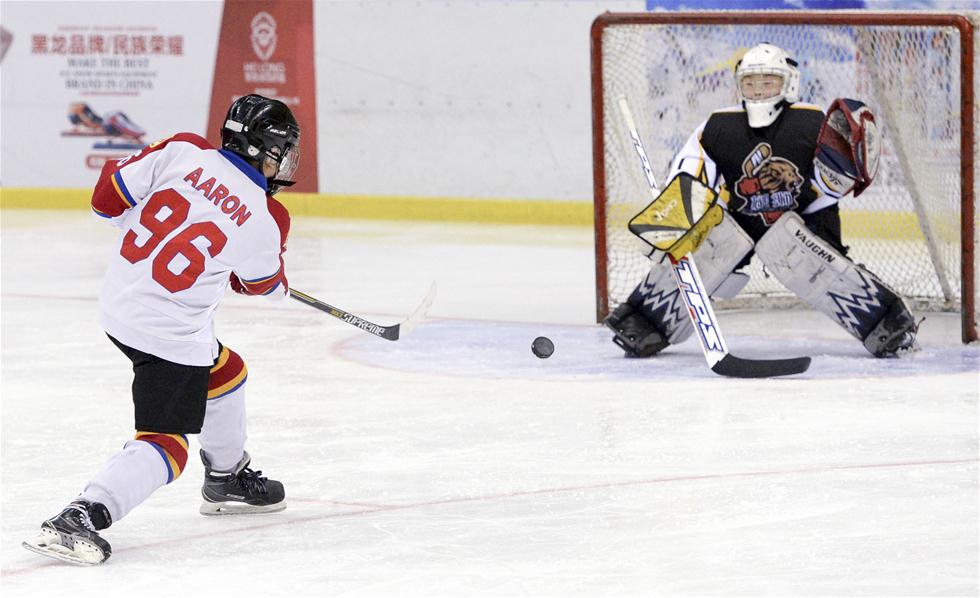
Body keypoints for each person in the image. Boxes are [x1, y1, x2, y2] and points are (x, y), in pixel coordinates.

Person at [23, 94, 301, 566]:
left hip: (119, 304)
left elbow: (104, 203)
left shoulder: (183, 149)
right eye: (282, 153)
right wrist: (267, 277)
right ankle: (84, 513)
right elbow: (259, 287)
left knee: (225, 371)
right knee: (167, 444)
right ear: (264, 152)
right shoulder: (267, 218)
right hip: (169, 336)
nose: (284, 165)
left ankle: (227, 477)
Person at [606, 43, 917, 359]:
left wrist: (816, 206)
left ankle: (885, 321)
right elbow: (691, 175)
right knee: (710, 254)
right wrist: (676, 216)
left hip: (804, 214)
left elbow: (830, 183)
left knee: (815, 262)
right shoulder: (717, 126)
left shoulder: (812, 122)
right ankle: (643, 323)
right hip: (739, 218)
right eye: (750, 83)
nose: (758, 91)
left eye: (768, 82)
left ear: (787, 83)